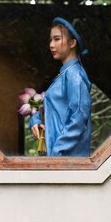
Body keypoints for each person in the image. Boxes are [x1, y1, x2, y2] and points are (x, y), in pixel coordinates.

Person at [30, 17, 92, 156]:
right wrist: (36, 121)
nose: (51, 45)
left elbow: (79, 119)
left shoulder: (75, 76)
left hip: (67, 161)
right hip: (58, 159)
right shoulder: (63, 75)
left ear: (72, 43)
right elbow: (49, 112)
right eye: (50, 40)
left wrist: (57, 152)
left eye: (57, 39)